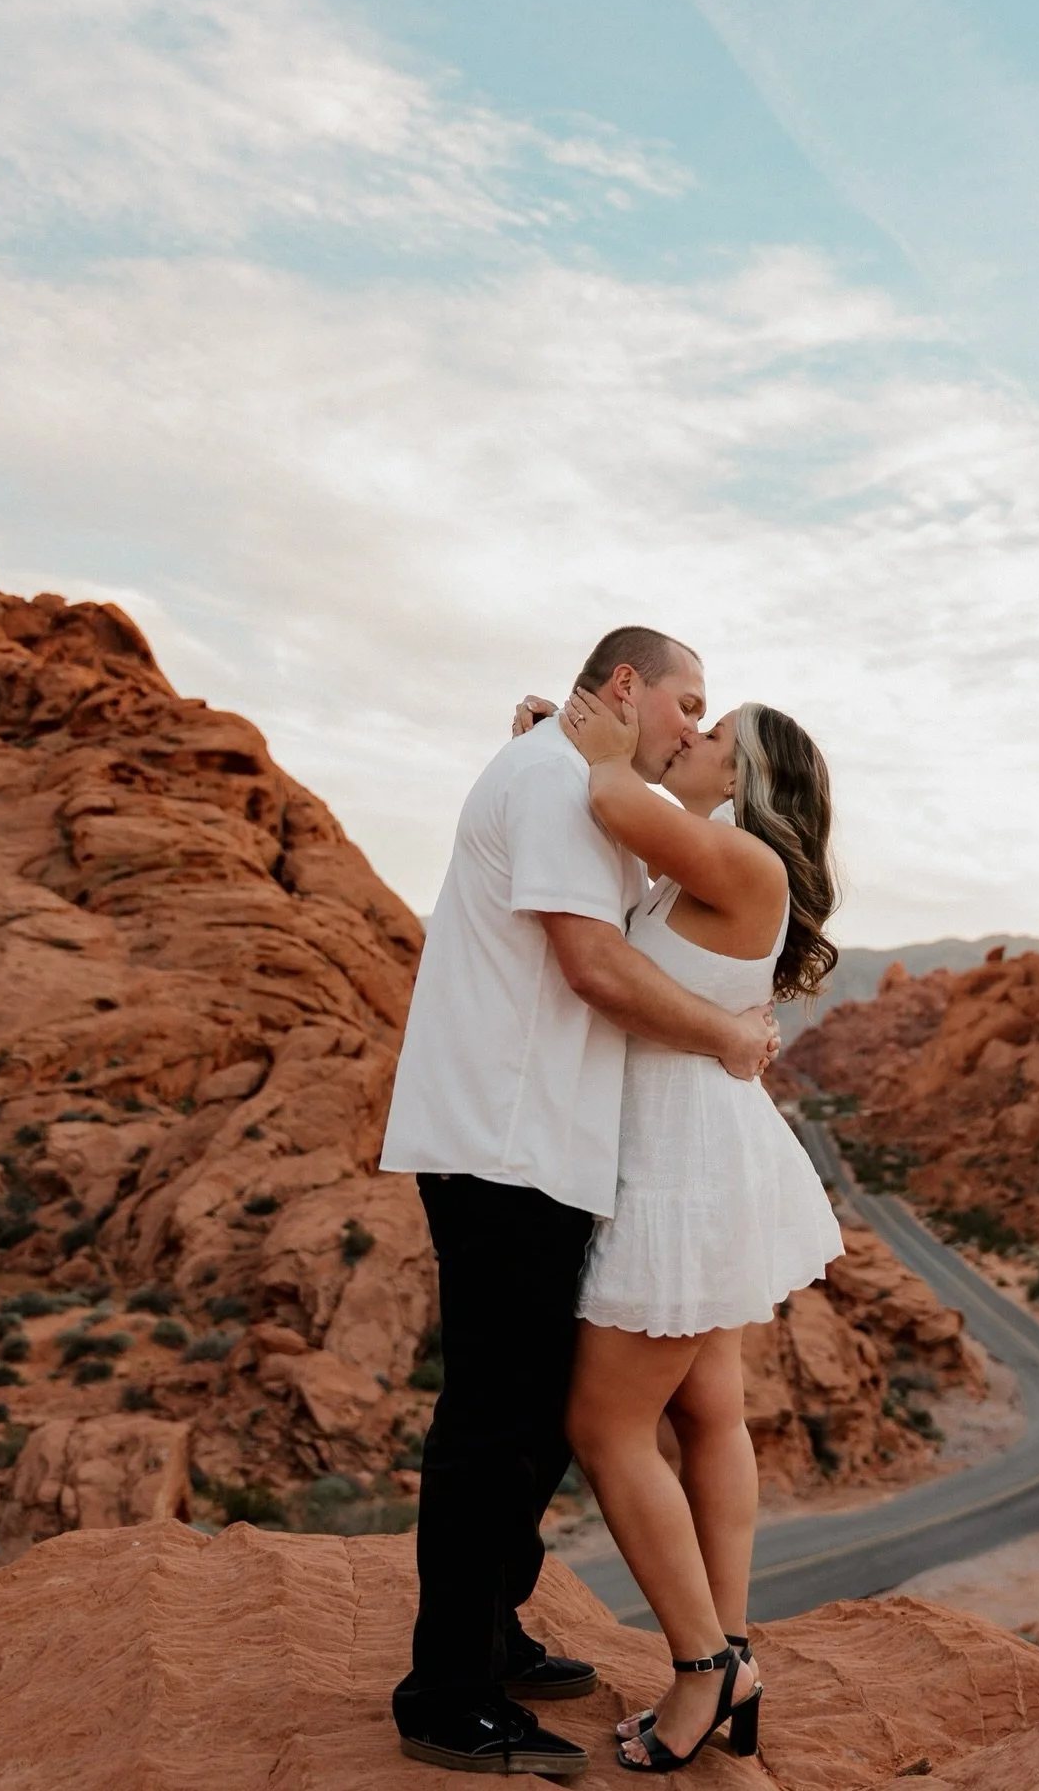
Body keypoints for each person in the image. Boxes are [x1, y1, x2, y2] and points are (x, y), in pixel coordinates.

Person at [379, 627, 780, 1778]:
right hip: (504, 1145)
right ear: (624, 687)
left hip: (545, 1150)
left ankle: (489, 1633)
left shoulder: (576, 782)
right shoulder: (558, 782)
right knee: (492, 1421)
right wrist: (731, 1039)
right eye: (685, 703)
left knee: (534, 1412)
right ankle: (444, 1695)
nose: (693, 729)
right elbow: (595, 970)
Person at [554, 685, 844, 1774]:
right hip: (694, 1150)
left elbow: (616, 797)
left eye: (716, 736)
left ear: (746, 780)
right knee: (708, 1415)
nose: (696, 737)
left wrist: (594, 743)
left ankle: (703, 1668)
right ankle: (735, 1659)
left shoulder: (745, 863)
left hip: (681, 1167)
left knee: (606, 1427)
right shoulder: (710, 866)